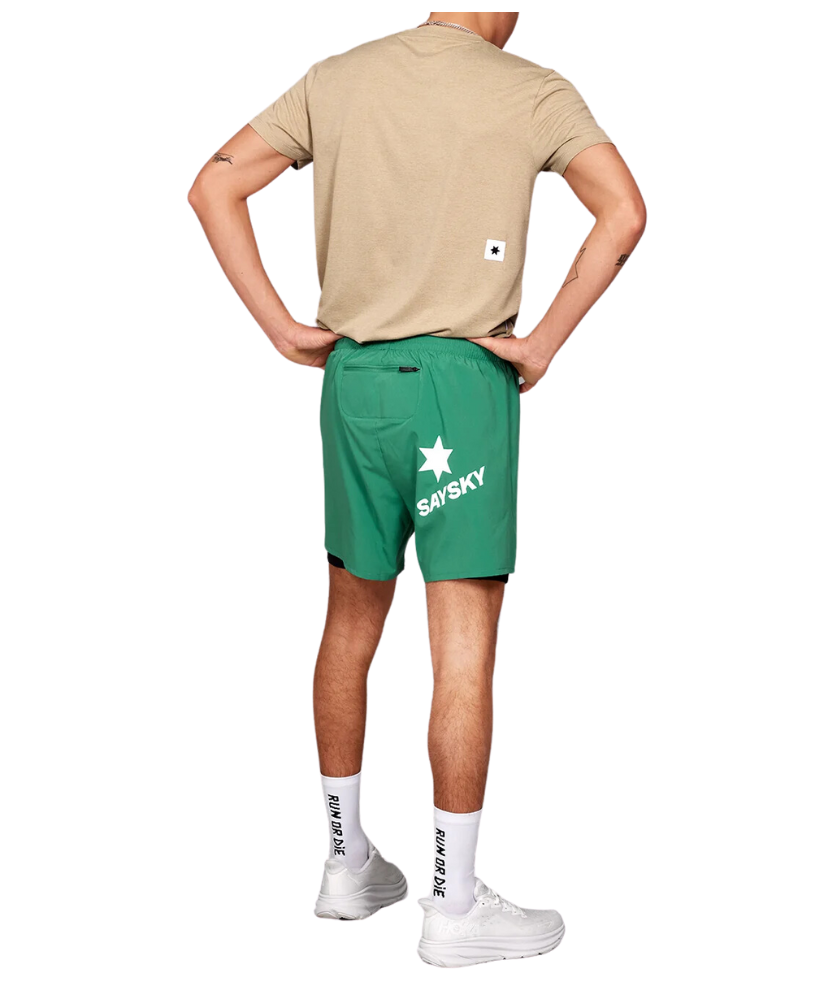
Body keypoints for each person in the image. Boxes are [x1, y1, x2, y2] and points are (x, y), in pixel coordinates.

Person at [188, 11, 645, 968]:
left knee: (349, 622)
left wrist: (281, 327)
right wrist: (542, 345)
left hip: (354, 383)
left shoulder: (337, 76)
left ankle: (346, 865)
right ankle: (454, 904)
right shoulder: (531, 89)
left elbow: (214, 183)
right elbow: (625, 212)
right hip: (461, 387)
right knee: (462, 647)